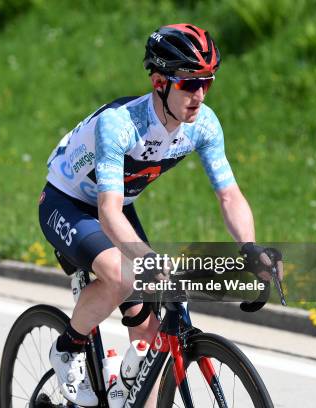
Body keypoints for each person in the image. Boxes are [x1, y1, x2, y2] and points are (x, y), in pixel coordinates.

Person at [39, 24, 283, 406]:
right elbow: (107, 212)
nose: (199, 95)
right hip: (68, 202)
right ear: (159, 83)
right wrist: (148, 262)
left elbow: (229, 195)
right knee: (123, 276)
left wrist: (250, 247)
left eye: (207, 82)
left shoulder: (203, 125)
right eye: (188, 84)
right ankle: (68, 348)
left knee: (153, 339)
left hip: (120, 206)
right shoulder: (120, 124)